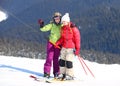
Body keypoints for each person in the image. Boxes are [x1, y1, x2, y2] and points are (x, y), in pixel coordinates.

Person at [56, 13, 81, 80]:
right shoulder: (62, 28)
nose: (63, 22)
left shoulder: (73, 29)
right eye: (63, 21)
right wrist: (58, 42)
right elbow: (62, 38)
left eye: (64, 21)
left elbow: (77, 39)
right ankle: (62, 74)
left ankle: (70, 75)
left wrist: (77, 49)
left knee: (68, 61)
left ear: (68, 21)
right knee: (61, 61)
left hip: (71, 48)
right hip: (64, 47)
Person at [38, 12, 62, 78]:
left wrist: (71, 25)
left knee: (56, 59)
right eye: (56, 18)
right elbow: (44, 29)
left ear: (60, 19)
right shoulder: (52, 25)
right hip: (51, 43)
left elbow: (67, 28)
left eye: (58, 18)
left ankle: (56, 72)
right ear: (54, 19)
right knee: (49, 57)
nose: (57, 19)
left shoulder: (62, 26)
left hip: (58, 45)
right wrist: (42, 25)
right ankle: (46, 72)